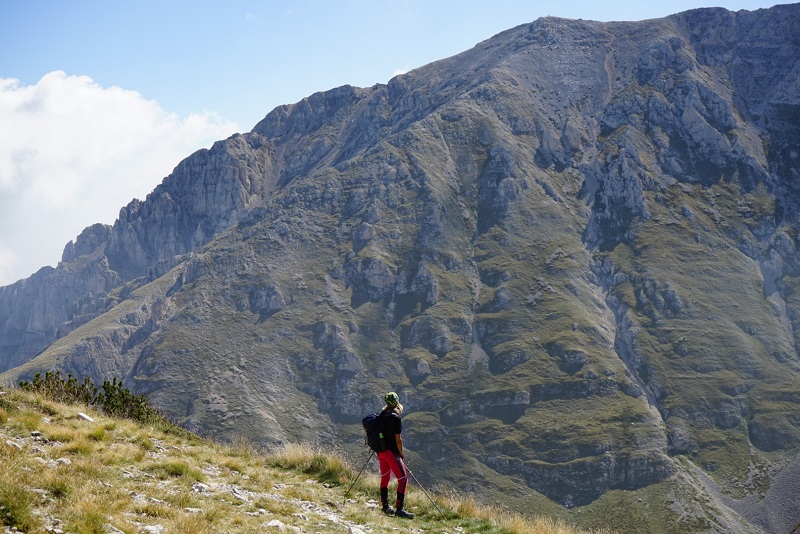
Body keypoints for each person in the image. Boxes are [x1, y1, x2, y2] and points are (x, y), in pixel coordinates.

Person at [377, 391, 415, 519]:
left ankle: (385, 506)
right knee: (403, 479)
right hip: (391, 453)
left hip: (381, 452)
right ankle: (400, 509)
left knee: (385, 477)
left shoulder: (382, 415)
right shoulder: (395, 418)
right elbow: (398, 440)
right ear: (397, 402)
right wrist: (401, 454)